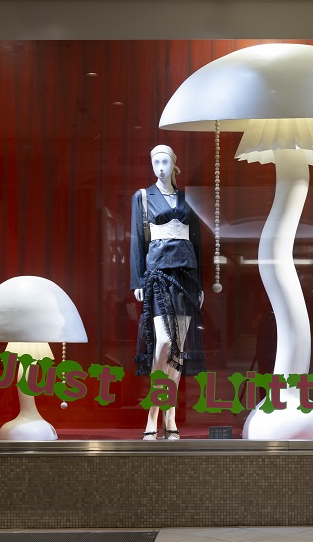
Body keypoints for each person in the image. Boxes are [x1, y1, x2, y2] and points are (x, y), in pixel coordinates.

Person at [131, 144, 205, 440]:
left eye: (165, 162)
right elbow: (137, 240)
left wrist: (200, 283)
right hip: (159, 275)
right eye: (155, 162)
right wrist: (137, 280)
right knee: (163, 343)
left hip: (185, 275)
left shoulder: (188, 199)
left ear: (174, 164)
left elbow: (197, 242)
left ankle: (169, 415)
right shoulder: (142, 197)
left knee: (178, 348)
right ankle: (154, 412)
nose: (160, 167)